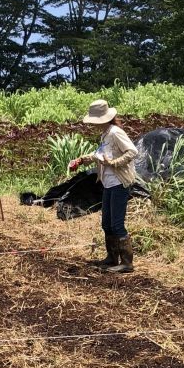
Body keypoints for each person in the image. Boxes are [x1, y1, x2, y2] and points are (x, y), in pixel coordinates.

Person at [68, 99, 138, 273]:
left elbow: (132, 151)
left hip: (119, 183)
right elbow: (100, 155)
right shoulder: (105, 134)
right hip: (108, 183)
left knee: (117, 224)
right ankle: (111, 258)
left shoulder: (115, 132)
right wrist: (82, 159)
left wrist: (115, 163)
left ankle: (126, 263)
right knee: (106, 223)